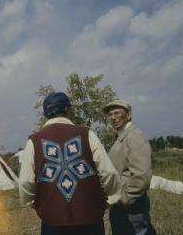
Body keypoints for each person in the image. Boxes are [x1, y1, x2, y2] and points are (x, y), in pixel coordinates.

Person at [19, 92, 121, 235]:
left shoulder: (34, 142)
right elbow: (108, 172)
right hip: (90, 219)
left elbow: (25, 182)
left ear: (45, 114)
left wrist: (37, 205)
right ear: (68, 110)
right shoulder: (87, 135)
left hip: (52, 223)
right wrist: (110, 200)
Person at [103, 99, 157, 235]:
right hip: (121, 204)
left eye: (117, 113)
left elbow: (142, 176)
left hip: (131, 206)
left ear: (128, 115)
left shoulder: (134, 136)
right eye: (109, 115)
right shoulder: (122, 136)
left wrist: (123, 199)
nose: (113, 117)